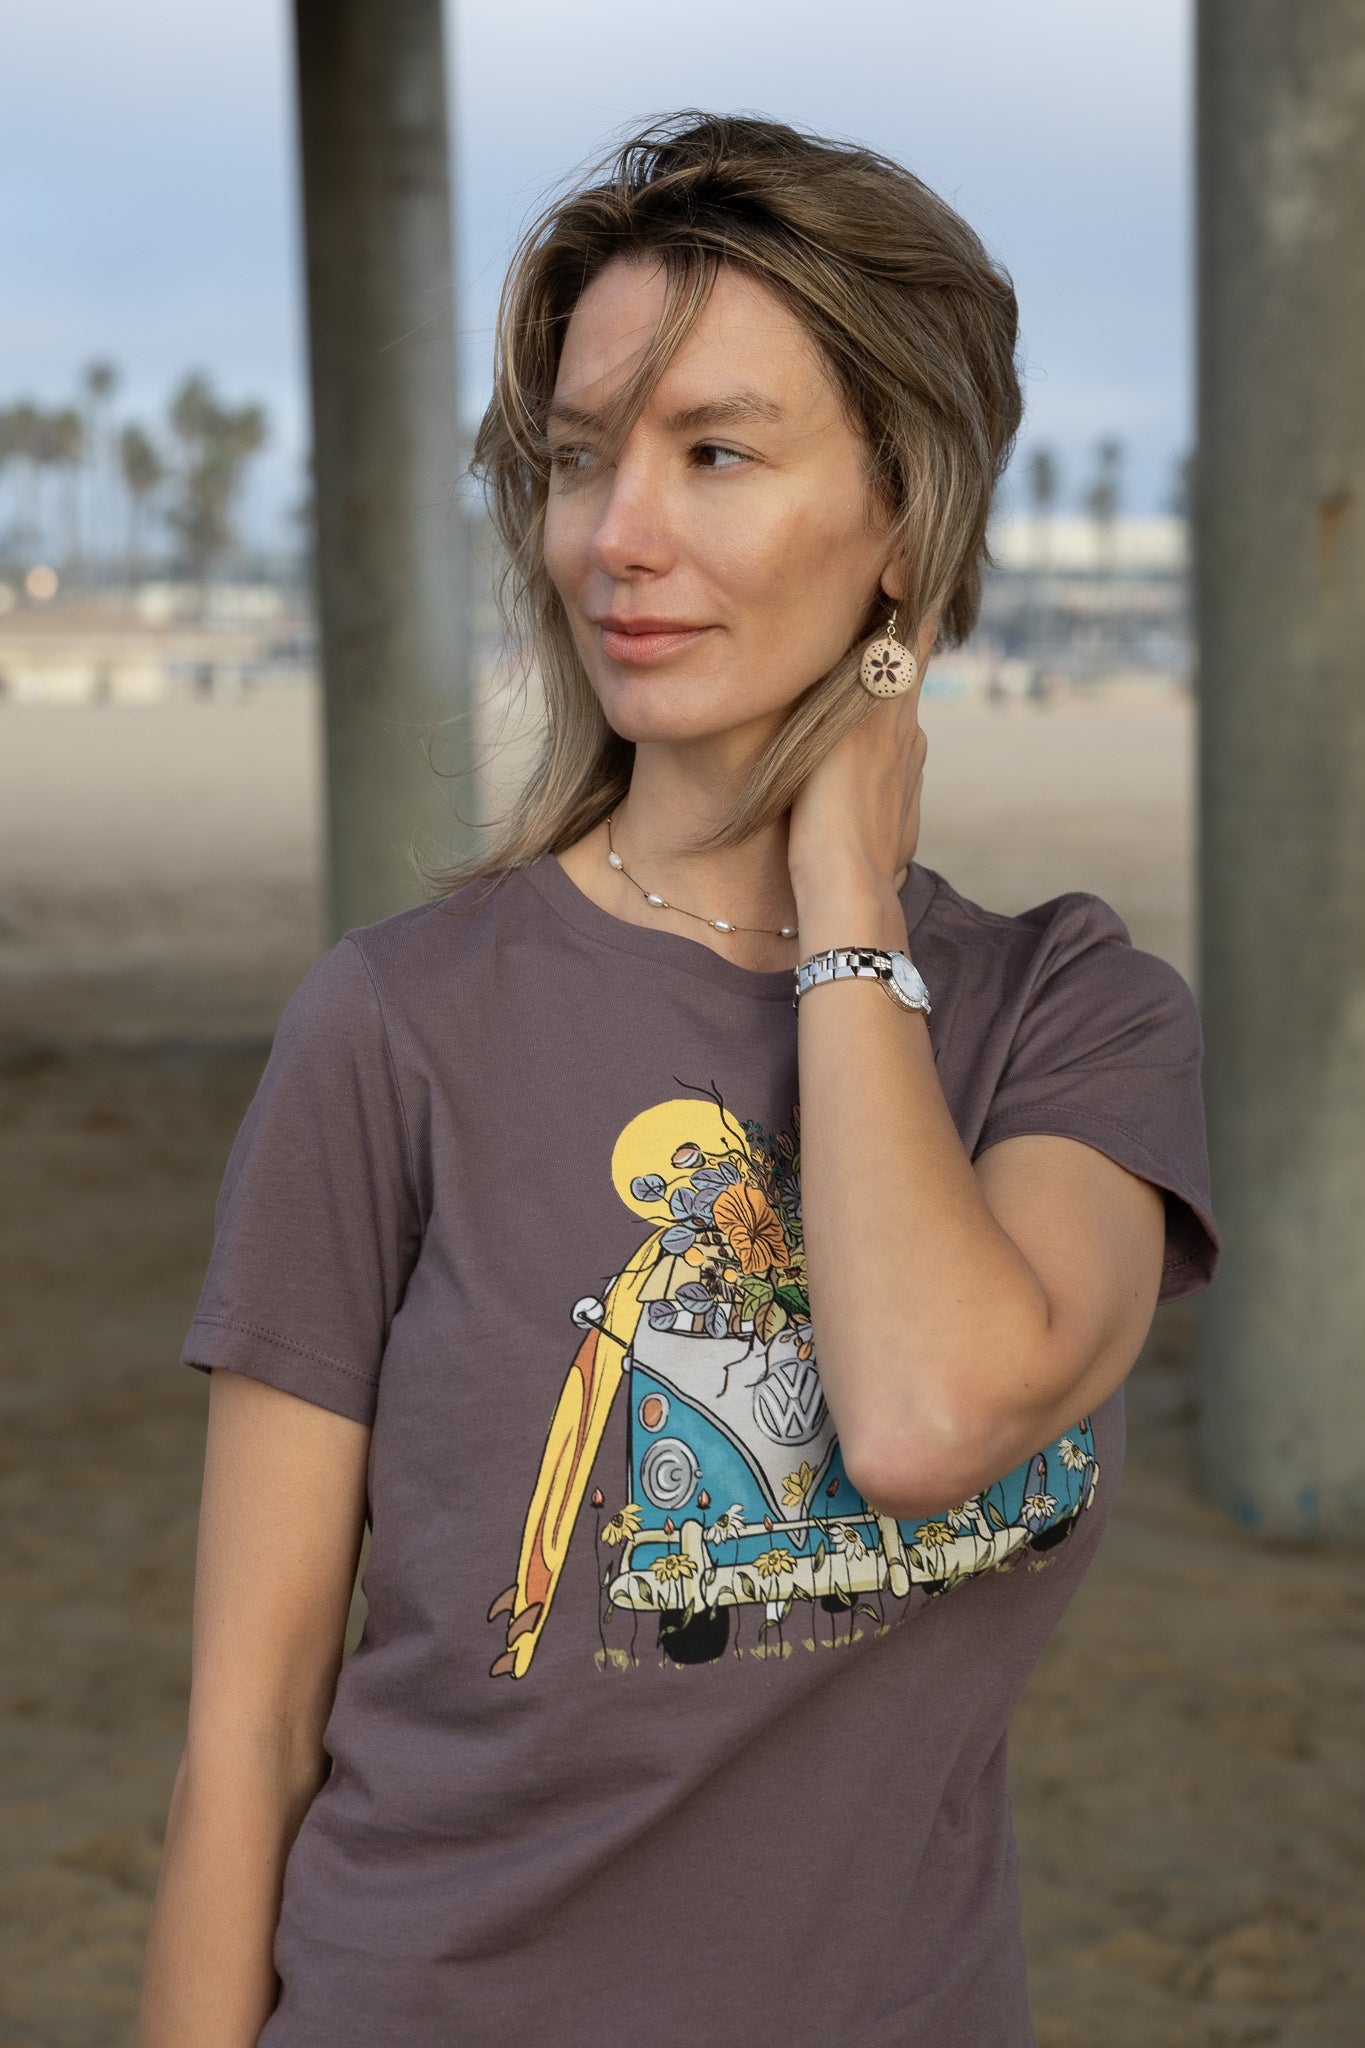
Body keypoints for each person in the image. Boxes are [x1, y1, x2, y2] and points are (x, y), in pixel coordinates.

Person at [138, 111, 1221, 2048]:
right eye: (574, 462)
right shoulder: (398, 1025)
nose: (611, 534)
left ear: (903, 513)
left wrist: (840, 901)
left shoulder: (1072, 1016)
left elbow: (927, 1414)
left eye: (713, 453)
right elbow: (249, 1723)